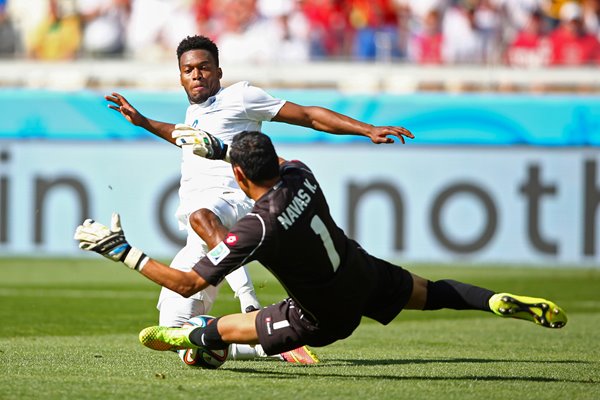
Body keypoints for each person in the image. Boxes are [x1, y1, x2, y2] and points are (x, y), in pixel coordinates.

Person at [74, 130, 568, 363]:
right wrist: (222, 148)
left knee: (222, 327)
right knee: (434, 291)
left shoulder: (255, 228)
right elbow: (276, 156)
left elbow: (187, 281)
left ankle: (194, 340)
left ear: (239, 175)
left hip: (321, 316)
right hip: (363, 270)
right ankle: (494, 300)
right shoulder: (299, 174)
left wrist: (122, 251)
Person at [104, 35, 413, 362]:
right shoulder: (194, 112)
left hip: (234, 204)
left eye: (204, 68)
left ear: (219, 72)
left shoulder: (241, 96)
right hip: (204, 235)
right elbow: (183, 135)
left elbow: (307, 115)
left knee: (201, 217)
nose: (197, 75)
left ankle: (250, 303)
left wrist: (366, 129)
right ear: (180, 76)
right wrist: (144, 123)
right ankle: (271, 346)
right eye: (189, 70)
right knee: (178, 334)